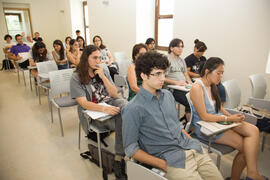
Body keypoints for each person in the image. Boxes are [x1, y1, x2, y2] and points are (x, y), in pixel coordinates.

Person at [122, 51, 223, 180]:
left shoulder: (168, 96)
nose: (163, 78)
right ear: (143, 75)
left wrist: (190, 141)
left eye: (164, 73)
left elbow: (176, 125)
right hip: (172, 160)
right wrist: (163, 164)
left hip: (192, 148)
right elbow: (131, 149)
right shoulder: (133, 108)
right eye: (158, 74)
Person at [190, 57, 268, 180]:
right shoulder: (197, 88)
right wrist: (229, 118)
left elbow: (219, 107)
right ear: (207, 72)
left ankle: (252, 173)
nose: (220, 76)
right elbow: (204, 116)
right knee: (245, 148)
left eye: (222, 73)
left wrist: (231, 116)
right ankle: (241, 177)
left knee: (254, 130)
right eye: (218, 73)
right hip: (206, 127)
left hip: (219, 120)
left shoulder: (213, 85)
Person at [70, 45, 127, 180]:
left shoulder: (104, 70)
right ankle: (119, 158)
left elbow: (114, 94)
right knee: (123, 118)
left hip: (109, 103)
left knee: (128, 108)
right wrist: (104, 108)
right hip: (93, 112)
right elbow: (83, 103)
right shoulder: (76, 77)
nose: (98, 61)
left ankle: (134, 150)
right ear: (86, 58)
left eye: (100, 58)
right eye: (94, 58)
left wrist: (103, 76)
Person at [165, 38, 192, 121]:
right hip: (172, 89)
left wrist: (191, 83)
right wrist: (176, 83)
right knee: (190, 102)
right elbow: (162, 78)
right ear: (171, 48)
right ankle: (189, 126)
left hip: (183, 87)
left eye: (182, 47)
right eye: (178, 47)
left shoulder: (182, 60)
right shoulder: (166, 59)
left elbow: (186, 74)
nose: (181, 49)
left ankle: (190, 122)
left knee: (196, 98)